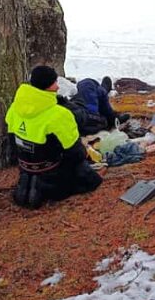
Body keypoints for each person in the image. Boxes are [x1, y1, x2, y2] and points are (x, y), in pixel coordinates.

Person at [6, 65, 102, 209]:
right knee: (91, 178)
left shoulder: (15, 107)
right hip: (54, 177)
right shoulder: (59, 115)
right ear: (47, 86)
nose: (57, 87)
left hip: (26, 170)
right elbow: (76, 153)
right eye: (54, 83)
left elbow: (12, 141)